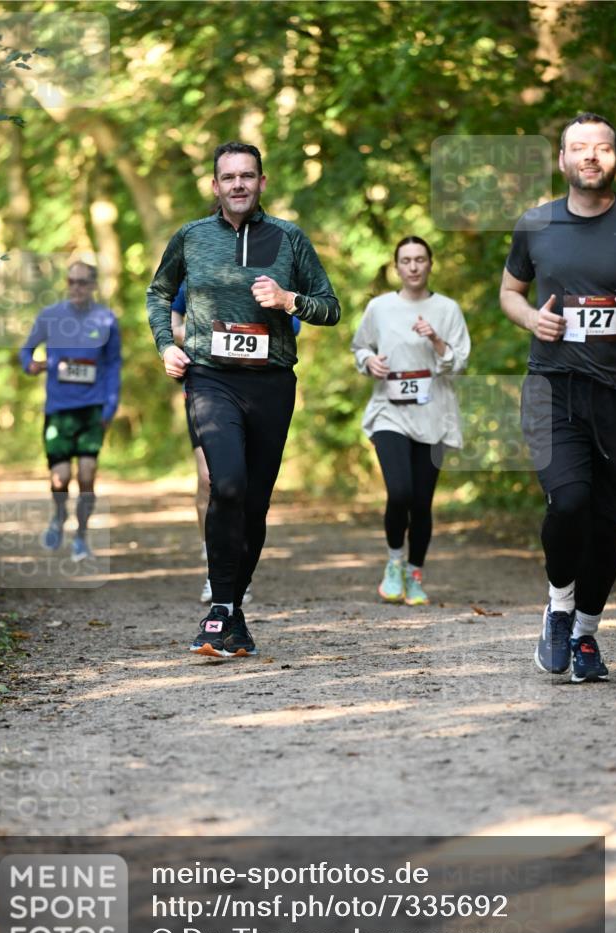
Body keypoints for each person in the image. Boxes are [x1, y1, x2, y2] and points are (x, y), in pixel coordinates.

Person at [147, 141, 340, 656]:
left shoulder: (290, 239)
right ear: (215, 186)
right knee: (225, 484)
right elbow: (159, 293)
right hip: (211, 379)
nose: (238, 184)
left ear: (261, 183)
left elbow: (331, 307)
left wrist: (288, 300)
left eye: (247, 176)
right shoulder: (191, 237)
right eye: (228, 176)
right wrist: (167, 345)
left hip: (272, 383)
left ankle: (232, 612)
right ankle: (219, 611)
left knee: (255, 503)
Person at [500, 112, 616, 683]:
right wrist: (531, 319)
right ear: (563, 160)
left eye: (601, 147)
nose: (591, 156)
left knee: (605, 527)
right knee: (568, 502)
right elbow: (510, 291)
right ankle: (558, 603)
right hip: (553, 387)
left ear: (614, 158)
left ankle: (587, 637)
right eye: (580, 148)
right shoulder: (536, 223)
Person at [352, 236, 470, 605]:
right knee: (399, 491)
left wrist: (435, 338)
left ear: (430, 264)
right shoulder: (380, 307)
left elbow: (460, 363)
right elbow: (360, 347)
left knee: (421, 502)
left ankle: (414, 573)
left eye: (420, 259)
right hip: (390, 411)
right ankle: (393, 562)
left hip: (433, 413)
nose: (414, 266)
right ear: (397, 267)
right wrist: (369, 362)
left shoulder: (447, 309)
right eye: (407, 260)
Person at [171, 281, 300, 605]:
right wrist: (201, 340)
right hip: (208, 388)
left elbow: (292, 327)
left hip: (258, 392)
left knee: (247, 488)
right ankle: (212, 564)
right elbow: (172, 322)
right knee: (210, 479)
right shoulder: (198, 272)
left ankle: (237, 568)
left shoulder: (272, 277)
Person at [20, 261, 121, 561]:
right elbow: (26, 349)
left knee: (87, 474)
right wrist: (31, 365)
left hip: (92, 408)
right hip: (59, 409)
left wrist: (110, 405)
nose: (76, 287)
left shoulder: (106, 319)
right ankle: (59, 512)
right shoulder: (51, 316)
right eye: (71, 281)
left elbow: (114, 363)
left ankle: (81, 536)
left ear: (92, 285)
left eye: (82, 282)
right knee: (60, 478)